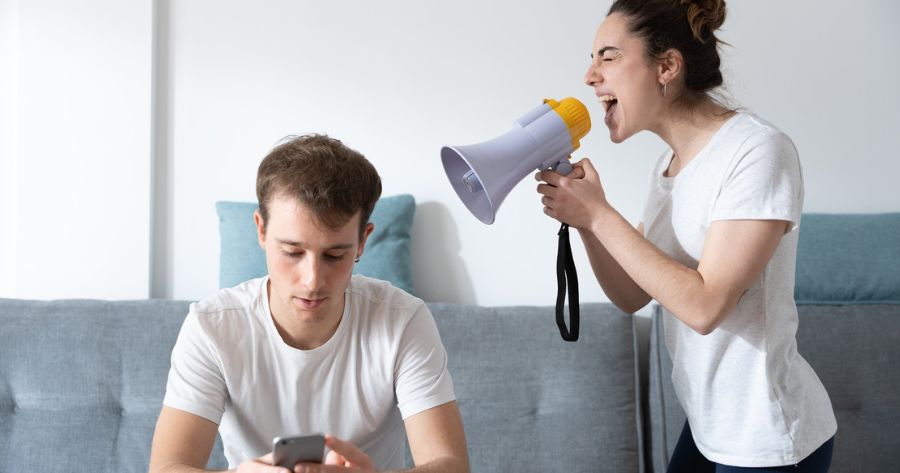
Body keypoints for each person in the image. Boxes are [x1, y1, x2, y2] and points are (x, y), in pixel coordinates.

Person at [535, 1, 836, 471]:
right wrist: (588, 222)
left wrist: (599, 214)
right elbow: (631, 295)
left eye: (608, 56)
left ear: (667, 67)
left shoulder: (756, 151)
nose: (590, 76)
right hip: (708, 427)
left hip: (765, 435)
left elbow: (705, 307)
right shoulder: (668, 167)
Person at [149, 134, 469, 473]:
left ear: (362, 241)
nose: (313, 281)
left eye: (334, 255)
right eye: (292, 252)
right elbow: (167, 468)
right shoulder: (212, 326)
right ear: (261, 230)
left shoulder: (403, 320)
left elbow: (451, 465)